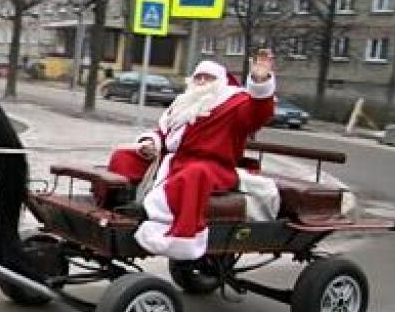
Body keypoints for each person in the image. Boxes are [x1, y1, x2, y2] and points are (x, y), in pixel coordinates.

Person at [107, 51, 278, 260]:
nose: (203, 81)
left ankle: (182, 235)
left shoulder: (234, 103)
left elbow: (257, 114)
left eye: (209, 77)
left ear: (221, 82)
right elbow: (162, 132)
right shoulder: (182, 104)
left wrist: (260, 82)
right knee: (123, 157)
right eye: (199, 77)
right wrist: (150, 144)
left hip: (213, 166)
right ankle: (122, 205)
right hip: (173, 160)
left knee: (193, 174)